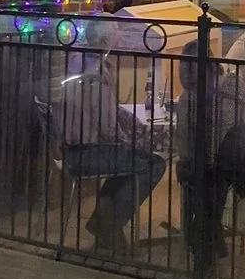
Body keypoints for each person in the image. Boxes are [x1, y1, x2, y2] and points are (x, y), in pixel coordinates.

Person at [54, 53, 169, 255]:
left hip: (70, 153)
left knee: (127, 165)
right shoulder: (98, 79)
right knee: (154, 164)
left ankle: (106, 224)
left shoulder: (73, 66)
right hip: (91, 154)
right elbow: (109, 130)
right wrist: (131, 144)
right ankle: (110, 226)